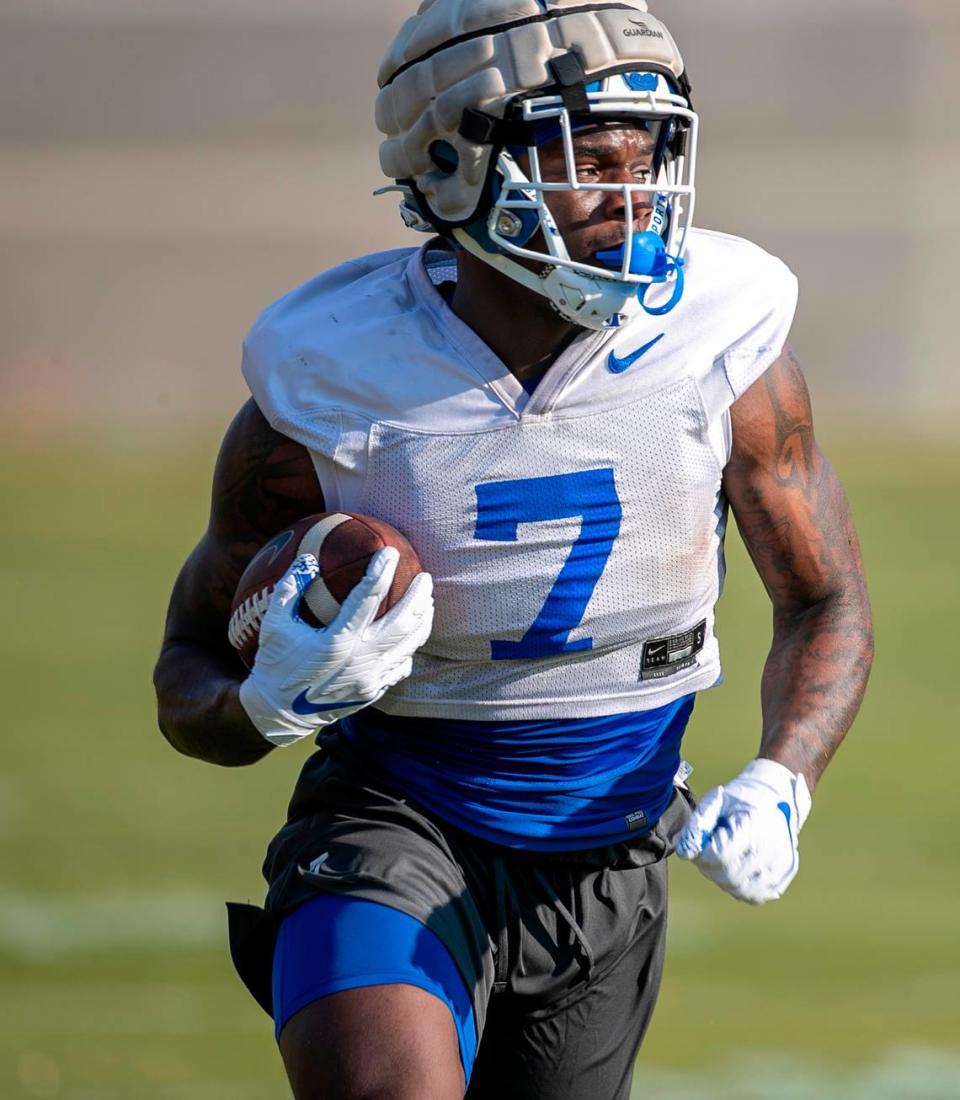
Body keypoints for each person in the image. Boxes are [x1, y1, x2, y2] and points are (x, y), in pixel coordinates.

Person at [154, 2, 874, 1097]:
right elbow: (185, 675)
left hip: (614, 841)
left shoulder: (722, 342)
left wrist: (786, 775)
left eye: (652, 154)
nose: (633, 199)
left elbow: (825, 601)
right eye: (588, 157)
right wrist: (268, 702)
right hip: (394, 822)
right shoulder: (336, 374)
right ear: (451, 163)